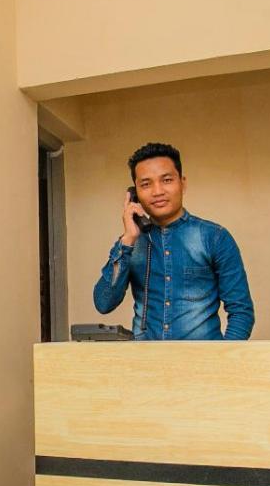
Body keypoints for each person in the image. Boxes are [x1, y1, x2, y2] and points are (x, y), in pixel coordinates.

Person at [93, 142, 254, 340]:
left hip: (202, 358)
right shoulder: (129, 244)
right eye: (146, 184)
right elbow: (103, 303)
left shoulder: (215, 237)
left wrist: (222, 357)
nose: (157, 191)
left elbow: (241, 312)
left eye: (167, 180)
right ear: (134, 194)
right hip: (145, 357)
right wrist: (127, 240)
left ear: (182, 184)